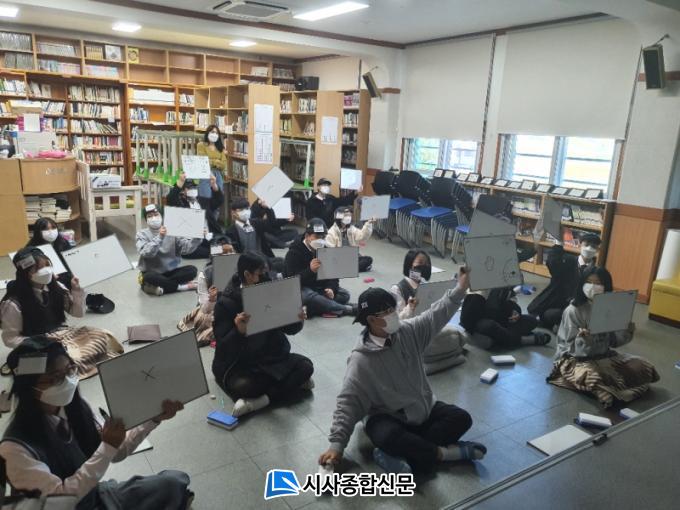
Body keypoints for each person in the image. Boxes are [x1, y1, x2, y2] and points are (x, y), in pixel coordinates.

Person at [317, 268, 487, 475]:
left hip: (421, 409)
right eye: (385, 312)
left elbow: (436, 314)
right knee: (388, 437)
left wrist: (460, 288)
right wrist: (336, 446)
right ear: (371, 320)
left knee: (461, 418)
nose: (393, 314)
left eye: (392, 308)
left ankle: (403, 454)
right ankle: (445, 454)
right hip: (387, 417)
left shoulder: (408, 331)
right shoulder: (361, 360)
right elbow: (348, 402)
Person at [0, 336, 192, 509]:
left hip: (94, 497)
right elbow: (60, 500)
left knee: (173, 483)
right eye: (55, 378)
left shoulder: (75, 408)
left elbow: (116, 452)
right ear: (29, 387)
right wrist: (107, 448)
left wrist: (153, 419)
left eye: (70, 370)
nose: (68, 381)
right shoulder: (15, 449)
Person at [212, 252, 314, 417]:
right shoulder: (226, 302)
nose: (267, 277)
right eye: (261, 273)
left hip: (272, 357)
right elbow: (223, 346)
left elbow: (290, 330)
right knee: (245, 386)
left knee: (306, 367)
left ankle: (262, 400)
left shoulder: (269, 292)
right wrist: (239, 331)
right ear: (247, 275)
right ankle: (289, 386)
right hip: (241, 364)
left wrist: (296, 318)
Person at [0, 248, 123, 379]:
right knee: (58, 361)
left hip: (61, 335)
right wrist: (41, 341)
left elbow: (77, 313)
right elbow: (10, 339)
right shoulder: (13, 304)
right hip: (36, 345)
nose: (46, 270)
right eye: (38, 268)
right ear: (26, 273)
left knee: (103, 336)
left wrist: (77, 291)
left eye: (47, 265)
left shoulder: (56, 286)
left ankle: (70, 363)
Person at [548, 266, 659, 408]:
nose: (592, 287)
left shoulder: (609, 307)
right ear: (582, 284)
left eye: (598, 283)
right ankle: (616, 390)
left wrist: (627, 330)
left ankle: (616, 389)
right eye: (589, 282)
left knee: (643, 365)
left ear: (606, 286)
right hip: (574, 359)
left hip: (604, 356)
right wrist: (584, 340)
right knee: (594, 377)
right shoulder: (574, 310)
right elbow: (570, 349)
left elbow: (614, 342)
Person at [391, 249, 467, 374]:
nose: (424, 266)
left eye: (427, 264)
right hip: (412, 333)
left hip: (428, 327)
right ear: (410, 265)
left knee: (457, 332)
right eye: (420, 263)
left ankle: (429, 359)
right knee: (455, 337)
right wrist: (410, 308)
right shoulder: (398, 289)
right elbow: (398, 323)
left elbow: (438, 309)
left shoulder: (425, 284)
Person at [27, 218, 114, 314]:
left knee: (74, 282)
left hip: (63, 274)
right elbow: (28, 272)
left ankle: (81, 299)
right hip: (42, 279)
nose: (51, 232)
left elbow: (72, 259)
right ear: (38, 231)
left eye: (53, 228)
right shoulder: (31, 250)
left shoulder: (62, 242)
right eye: (46, 229)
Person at [529, 233, 602, 330]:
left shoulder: (596, 272)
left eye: (593, 246)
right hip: (557, 300)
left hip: (577, 307)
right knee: (549, 315)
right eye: (587, 244)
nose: (589, 248)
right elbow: (552, 262)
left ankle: (568, 324)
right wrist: (558, 244)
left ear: (597, 250)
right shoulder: (567, 260)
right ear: (580, 245)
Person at [284, 218, 355, 318]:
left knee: (345, 295)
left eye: (323, 237)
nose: (320, 240)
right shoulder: (294, 252)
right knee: (309, 297)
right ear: (307, 236)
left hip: (319, 288)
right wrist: (310, 271)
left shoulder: (325, 249)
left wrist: (331, 288)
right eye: (317, 236)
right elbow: (292, 281)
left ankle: (317, 308)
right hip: (302, 289)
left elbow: (333, 276)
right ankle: (347, 310)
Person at [135, 204, 201, 296]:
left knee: (192, 270)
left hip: (170, 271)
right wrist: (160, 237)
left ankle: (153, 287)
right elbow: (146, 253)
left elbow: (185, 249)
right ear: (146, 220)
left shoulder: (172, 230)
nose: (153, 218)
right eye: (149, 216)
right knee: (148, 277)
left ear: (162, 216)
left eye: (156, 214)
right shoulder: (141, 234)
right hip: (152, 272)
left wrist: (197, 238)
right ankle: (182, 287)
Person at [460, 286, 551, 350]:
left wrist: (515, 312)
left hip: (500, 320)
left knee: (532, 321)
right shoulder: (477, 289)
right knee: (490, 326)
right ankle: (523, 340)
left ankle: (501, 339)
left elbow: (510, 303)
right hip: (480, 322)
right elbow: (466, 320)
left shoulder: (504, 284)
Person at [166, 172, 232, 259]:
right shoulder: (180, 204)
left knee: (225, 241)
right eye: (189, 188)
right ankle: (218, 251)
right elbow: (171, 198)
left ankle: (220, 250)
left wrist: (214, 185)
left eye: (194, 187)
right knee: (195, 251)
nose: (192, 189)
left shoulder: (202, 201)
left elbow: (219, 200)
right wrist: (180, 182)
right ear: (183, 191)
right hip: (191, 239)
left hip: (208, 235)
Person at [225, 197, 284, 273]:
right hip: (247, 264)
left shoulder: (256, 223)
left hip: (262, 259)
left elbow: (272, 223)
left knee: (282, 261)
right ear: (233, 212)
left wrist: (267, 208)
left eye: (247, 208)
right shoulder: (231, 231)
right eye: (241, 210)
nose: (245, 212)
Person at [177, 260, 219, 347]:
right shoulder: (206, 274)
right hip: (209, 310)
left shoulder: (238, 271)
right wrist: (212, 300)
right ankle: (180, 286)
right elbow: (205, 310)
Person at [325, 206, 374, 272]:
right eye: (346, 216)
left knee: (368, 259)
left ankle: (350, 268)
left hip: (351, 256)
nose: (348, 217)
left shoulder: (351, 228)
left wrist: (368, 224)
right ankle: (352, 268)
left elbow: (362, 236)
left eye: (349, 215)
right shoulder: (331, 232)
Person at [196, 124, 226, 199]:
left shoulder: (220, 147)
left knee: (218, 199)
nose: (214, 134)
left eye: (216, 133)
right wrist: (217, 161)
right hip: (206, 174)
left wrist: (211, 161)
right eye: (212, 132)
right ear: (208, 133)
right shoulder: (201, 145)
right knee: (206, 199)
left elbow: (224, 165)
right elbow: (203, 161)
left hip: (218, 175)